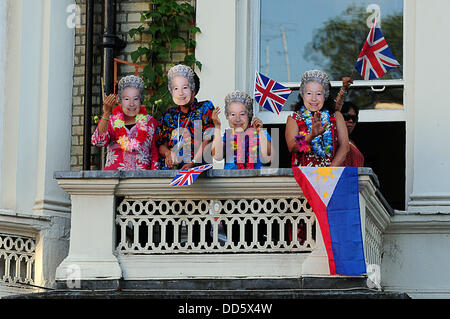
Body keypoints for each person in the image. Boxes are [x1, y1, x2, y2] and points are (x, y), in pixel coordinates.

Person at [91, 75, 159, 170]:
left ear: (141, 100)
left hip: (142, 180)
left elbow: (155, 153)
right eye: (126, 99)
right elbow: (98, 141)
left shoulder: (150, 122)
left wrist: (153, 180)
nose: (131, 104)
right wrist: (106, 112)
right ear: (120, 100)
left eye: (136, 99)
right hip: (114, 179)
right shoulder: (111, 121)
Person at [285, 69, 349, 167]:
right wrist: (312, 135)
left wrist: (329, 172)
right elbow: (292, 147)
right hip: (303, 178)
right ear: (302, 95)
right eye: (309, 93)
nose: (314, 98)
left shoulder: (336, 116)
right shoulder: (294, 118)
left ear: (325, 96)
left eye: (319, 94)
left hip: (331, 176)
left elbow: (344, 147)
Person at [156, 64, 215, 170]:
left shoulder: (205, 108)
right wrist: (168, 153)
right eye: (176, 88)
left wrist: (193, 162)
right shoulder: (169, 114)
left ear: (194, 90)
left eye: (185, 88)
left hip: (197, 171)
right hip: (172, 171)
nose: (181, 93)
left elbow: (208, 138)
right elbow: (160, 144)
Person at [211, 90, 272, 169]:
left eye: (242, 114)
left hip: (255, 180)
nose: (237, 119)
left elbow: (269, 158)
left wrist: (260, 132)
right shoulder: (227, 136)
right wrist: (217, 126)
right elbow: (217, 156)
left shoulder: (261, 133)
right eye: (233, 114)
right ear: (227, 117)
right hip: (231, 180)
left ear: (249, 115)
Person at [341, 101, 365, 167]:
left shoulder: (352, 142)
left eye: (354, 118)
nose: (351, 121)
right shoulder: (332, 141)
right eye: (346, 117)